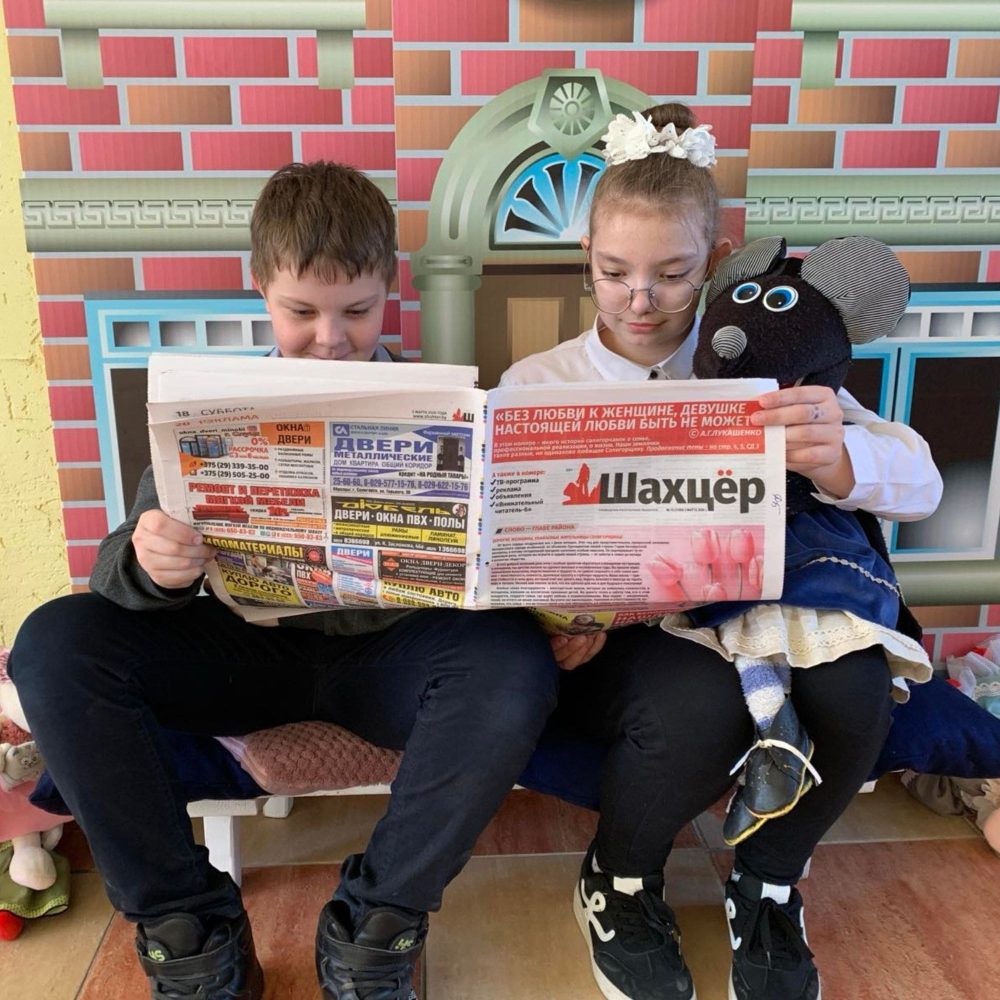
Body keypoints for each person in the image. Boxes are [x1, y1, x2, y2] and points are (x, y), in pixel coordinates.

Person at [9, 162, 559, 1000]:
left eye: (358, 311)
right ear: (261, 286)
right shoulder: (215, 401)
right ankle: (187, 933)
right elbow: (122, 564)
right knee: (54, 642)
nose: (331, 338)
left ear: (390, 290)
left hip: (393, 659)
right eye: (301, 312)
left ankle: (377, 928)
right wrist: (150, 563)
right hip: (244, 655)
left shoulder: (445, 405)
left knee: (513, 657)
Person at [501, 104, 943, 1000]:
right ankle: (619, 879)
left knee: (856, 687)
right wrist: (553, 615)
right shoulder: (538, 383)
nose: (640, 300)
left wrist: (839, 457)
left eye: (672, 275)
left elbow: (923, 484)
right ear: (585, 255)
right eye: (614, 272)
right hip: (627, 637)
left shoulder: (765, 361)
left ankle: (768, 883)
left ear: (717, 259)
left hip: (764, 603)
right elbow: (509, 541)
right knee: (697, 703)